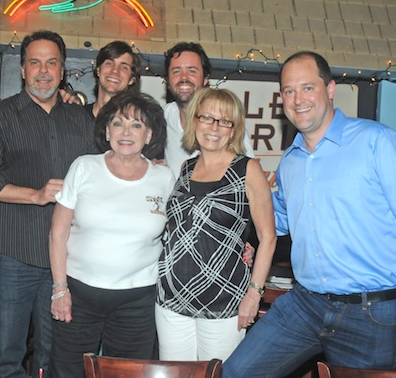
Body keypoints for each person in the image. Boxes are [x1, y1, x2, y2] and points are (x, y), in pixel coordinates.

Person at [223, 51, 396, 377]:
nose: (297, 99)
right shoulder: (291, 159)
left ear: (330, 89)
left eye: (307, 88)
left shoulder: (377, 142)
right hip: (305, 303)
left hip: (371, 312)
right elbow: (280, 219)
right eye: (289, 91)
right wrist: (244, 216)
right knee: (236, 372)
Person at [0, 30, 97, 378]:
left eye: (51, 63)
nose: (43, 71)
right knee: (7, 356)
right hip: (14, 255)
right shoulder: (0, 116)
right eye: (35, 62)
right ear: (23, 69)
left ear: (62, 70)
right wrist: (36, 195)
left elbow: (105, 173)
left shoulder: (82, 119)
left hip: (68, 261)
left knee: (53, 353)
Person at [49, 92, 175, 377]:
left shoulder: (164, 178)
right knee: (67, 372)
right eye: (118, 124)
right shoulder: (83, 167)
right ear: (106, 131)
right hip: (78, 295)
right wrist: (60, 290)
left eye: (136, 125)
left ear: (149, 134)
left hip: (138, 301)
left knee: (128, 374)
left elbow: (182, 231)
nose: (126, 132)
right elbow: (58, 234)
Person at [156, 87, 276, 362]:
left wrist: (254, 294)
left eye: (224, 121)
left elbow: (268, 238)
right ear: (194, 122)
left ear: (234, 129)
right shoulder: (185, 168)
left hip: (223, 300)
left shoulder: (248, 169)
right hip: (171, 299)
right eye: (207, 118)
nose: (214, 127)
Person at [163, 42, 255, 177]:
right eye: (176, 71)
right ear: (168, 81)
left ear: (206, 79)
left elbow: (248, 173)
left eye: (192, 71)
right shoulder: (163, 116)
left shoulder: (225, 120)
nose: (183, 77)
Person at [85, 40, 140, 118]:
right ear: (98, 71)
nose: (115, 70)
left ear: (131, 79)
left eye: (124, 67)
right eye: (109, 63)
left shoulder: (136, 123)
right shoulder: (75, 117)